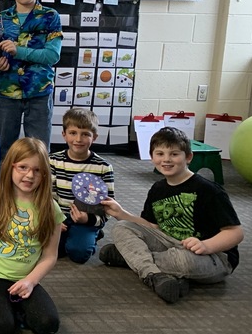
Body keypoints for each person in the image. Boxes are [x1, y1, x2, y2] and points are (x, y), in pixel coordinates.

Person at [99, 127, 243, 304]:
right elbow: (152, 226)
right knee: (121, 227)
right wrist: (121, 213)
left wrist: (206, 245)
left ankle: (134, 259)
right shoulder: (158, 189)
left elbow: (235, 233)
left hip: (212, 256)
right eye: (160, 153)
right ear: (152, 157)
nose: (166, 159)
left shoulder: (209, 190)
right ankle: (154, 273)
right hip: (169, 245)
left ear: (188, 157)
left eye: (174, 154)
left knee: (184, 262)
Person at [0, 137, 63, 334]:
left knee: (48, 325)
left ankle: (12, 307)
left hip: (25, 278)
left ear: (44, 174)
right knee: (2, 327)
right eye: (23, 167)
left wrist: (30, 281)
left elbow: (50, 256)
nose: (29, 175)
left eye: (37, 170)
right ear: (11, 167)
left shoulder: (50, 208)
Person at [0, 0, 63, 159]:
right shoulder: (1, 19)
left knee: (39, 149)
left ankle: (37, 189)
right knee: (4, 148)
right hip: (7, 91)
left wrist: (18, 51)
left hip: (38, 91)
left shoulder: (50, 17)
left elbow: (52, 55)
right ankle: (4, 189)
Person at [49, 108, 115, 264]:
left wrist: (89, 219)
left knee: (79, 254)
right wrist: (53, 219)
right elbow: (46, 196)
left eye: (85, 134)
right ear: (64, 134)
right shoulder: (53, 161)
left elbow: (108, 205)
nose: (78, 139)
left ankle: (93, 234)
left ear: (95, 137)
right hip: (59, 216)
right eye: (73, 133)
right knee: (45, 249)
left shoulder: (103, 167)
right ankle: (73, 237)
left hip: (87, 217)